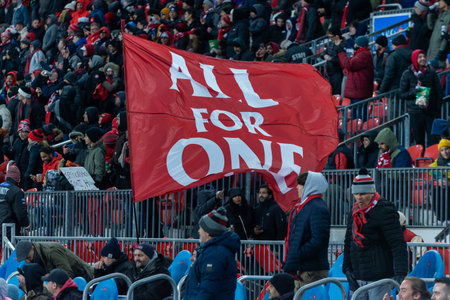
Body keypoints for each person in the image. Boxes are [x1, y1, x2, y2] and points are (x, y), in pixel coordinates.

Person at [343, 169, 408, 298]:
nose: (359, 197)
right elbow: (349, 242)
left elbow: (397, 243)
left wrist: (400, 273)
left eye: (363, 193)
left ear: (372, 192)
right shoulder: (354, 212)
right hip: (357, 276)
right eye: (356, 194)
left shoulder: (385, 210)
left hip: (379, 278)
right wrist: (347, 269)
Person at [283, 172, 330, 287]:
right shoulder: (306, 207)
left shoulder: (317, 208)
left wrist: (298, 253)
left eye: (300, 185)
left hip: (312, 271)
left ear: (308, 186)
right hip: (305, 269)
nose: (297, 188)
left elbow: (318, 240)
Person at [184, 207, 240, 299]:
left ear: (208, 232)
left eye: (200, 228)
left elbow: (208, 288)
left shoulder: (215, 255)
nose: (198, 231)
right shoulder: (213, 251)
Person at [399, 49, 442, 147]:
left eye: (424, 56)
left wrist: (437, 108)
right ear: (414, 59)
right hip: (415, 112)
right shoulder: (407, 74)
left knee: (433, 140)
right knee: (419, 141)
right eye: (420, 57)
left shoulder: (431, 73)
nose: (423, 59)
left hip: (430, 112)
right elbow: (401, 94)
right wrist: (414, 92)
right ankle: (421, 161)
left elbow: (438, 92)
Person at [15, 240, 94, 281]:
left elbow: (67, 273)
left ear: (33, 247)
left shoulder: (52, 251)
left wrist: (49, 276)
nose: (28, 261)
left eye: (28, 258)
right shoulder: (38, 254)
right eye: (25, 260)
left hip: (85, 276)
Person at [337, 35, 374, 120]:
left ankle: (360, 132)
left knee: (358, 119)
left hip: (359, 92)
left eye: (356, 43)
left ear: (358, 45)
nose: (354, 45)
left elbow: (349, 65)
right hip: (357, 91)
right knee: (356, 118)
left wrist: (341, 52)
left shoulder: (363, 54)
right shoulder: (360, 54)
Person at [0, 162, 29, 239]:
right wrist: (26, 223)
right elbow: (20, 214)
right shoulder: (17, 192)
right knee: (11, 250)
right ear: (18, 178)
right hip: (9, 230)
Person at [426, 0, 450, 68]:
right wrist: (431, 13)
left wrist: (441, 51)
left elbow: (447, 36)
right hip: (432, 50)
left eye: (440, 0)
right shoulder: (441, 14)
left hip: (440, 53)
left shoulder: (448, 16)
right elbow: (430, 26)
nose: (438, 2)